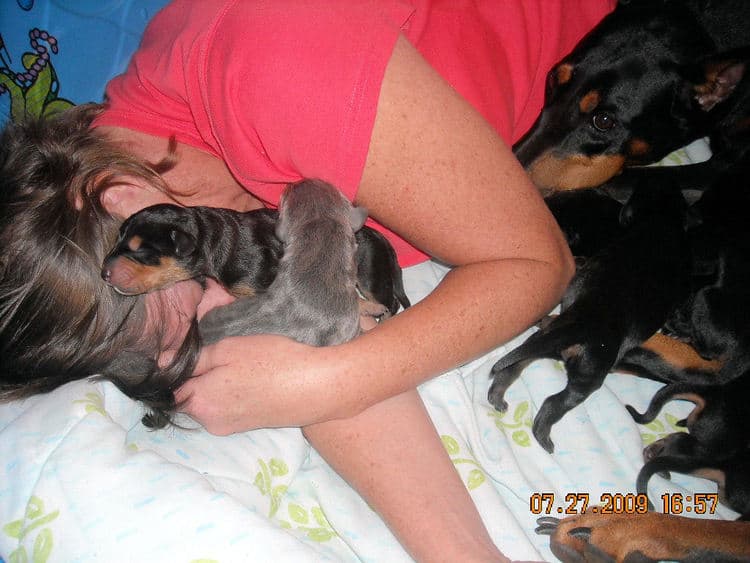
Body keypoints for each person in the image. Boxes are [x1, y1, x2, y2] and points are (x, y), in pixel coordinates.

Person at [0, 1, 616, 560]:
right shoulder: (168, 208)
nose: (220, 330)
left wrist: (326, 383)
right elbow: (304, 341)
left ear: (121, 197)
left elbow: (538, 265)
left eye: (189, 324)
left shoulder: (278, 65)